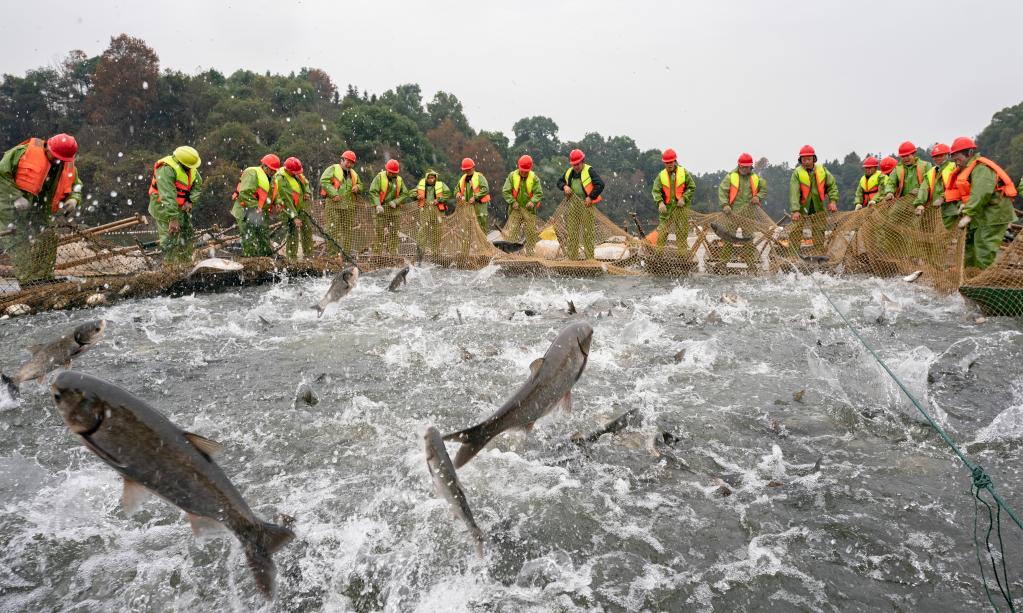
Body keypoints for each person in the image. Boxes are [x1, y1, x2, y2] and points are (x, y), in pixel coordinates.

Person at [0, 133, 81, 284]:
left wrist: (73, 200)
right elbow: (1, 175)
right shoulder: (21, 153)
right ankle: (28, 282)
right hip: (11, 210)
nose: (58, 161)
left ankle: (43, 278)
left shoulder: (66, 165)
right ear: (48, 147)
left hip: (40, 212)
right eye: (56, 157)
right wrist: (15, 196)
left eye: (62, 159)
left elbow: (76, 186)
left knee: (48, 237)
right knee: (19, 242)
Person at [949, 136, 1018, 269]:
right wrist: (965, 205)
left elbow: (981, 192)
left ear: (969, 153)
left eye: (958, 158)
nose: (956, 161)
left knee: (984, 247)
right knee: (971, 246)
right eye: (954, 158)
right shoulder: (969, 168)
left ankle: (982, 283)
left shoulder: (981, 168)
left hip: (995, 214)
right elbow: (972, 192)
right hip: (983, 214)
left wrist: (969, 213)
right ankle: (970, 277)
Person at [148, 145, 202, 265]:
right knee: (170, 236)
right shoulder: (166, 169)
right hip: (162, 206)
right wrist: (173, 218)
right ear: (181, 162)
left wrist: (189, 200)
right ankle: (169, 267)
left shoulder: (190, 167)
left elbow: (197, 186)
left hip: (180, 206)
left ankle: (185, 264)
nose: (191, 168)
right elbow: (167, 196)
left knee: (187, 233)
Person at [787, 145, 839, 254]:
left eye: (809, 159)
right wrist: (795, 210)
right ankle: (792, 256)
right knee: (795, 232)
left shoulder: (822, 170)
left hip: (818, 207)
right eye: (804, 159)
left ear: (814, 159)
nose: (806, 162)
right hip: (801, 208)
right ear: (800, 160)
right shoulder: (796, 173)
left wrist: (833, 201)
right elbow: (794, 193)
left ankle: (818, 255)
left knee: (819, 231)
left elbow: (832, 186)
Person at [716, 152, 766, 266]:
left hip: (749, 214)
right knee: (728, 238)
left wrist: (758, 197)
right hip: (731, 213)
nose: (744, 169)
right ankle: (723, 263)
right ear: (739, 165)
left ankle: (750, 263)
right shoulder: (730, 177)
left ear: (751, 166)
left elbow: (763, 189)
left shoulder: (756, 178)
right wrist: (725, 205)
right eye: (742, 167)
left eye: (747, 167)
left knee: (748, 239)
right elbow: (722, 191)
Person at [557, 148, 605, 260]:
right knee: (572, 233)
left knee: (588, 234)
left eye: (577, 164)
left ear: (582, 161)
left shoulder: (589, 171)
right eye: (573, 164)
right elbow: (559, 181)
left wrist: (591, 197)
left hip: (587, 205)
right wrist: (564, 186)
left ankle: (589, 259)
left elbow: (600, 184)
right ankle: (572, 258)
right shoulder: (569, 172)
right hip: (573, 206)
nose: (576, 166)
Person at [231, 153, 280, 257]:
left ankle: (265, 259)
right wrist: (255, 207)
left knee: (264, 236)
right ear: (265, 166)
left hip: (260, 212)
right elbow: (245, 193)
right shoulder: (252, 173)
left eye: (275, 171)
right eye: (271, 170)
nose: (273, 172)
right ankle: (251, 262)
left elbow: (274, 194)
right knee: (249, 236)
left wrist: (278, 202)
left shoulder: (272, 179)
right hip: (246, 210)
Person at [651, 148, 695, 256]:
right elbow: (655, 191)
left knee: (681, 235)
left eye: (671, 162)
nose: (669, 164)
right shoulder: (661, 176)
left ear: (675, 161)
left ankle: (682, 259)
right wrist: (660, 202)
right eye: (667, 162)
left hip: (681, 210)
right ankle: (658, 258)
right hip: (666, 211)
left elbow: (692, 187)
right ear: (664, 163)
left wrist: (684, 198)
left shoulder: (684, 173)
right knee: (661, 235)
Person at [319, 150, 361, 257]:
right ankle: (332, 256)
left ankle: (346, 256)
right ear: (342, 160)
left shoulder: (354, 174)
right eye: (347, 161)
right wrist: (333, 194)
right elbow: (324, 181)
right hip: (333, 205)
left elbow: (361, 184)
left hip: (349, 207)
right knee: (332, 230)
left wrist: (358, 187)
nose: (349, 164)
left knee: (347, 232)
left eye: (351, 162)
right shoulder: (332, 169)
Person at [502, 155, 544, 255]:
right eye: (522, 170)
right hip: (515, 211)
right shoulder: (512, 176)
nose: (524, 173)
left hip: (529, 212)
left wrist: (532, 201)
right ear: (518, 167)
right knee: (512, 233)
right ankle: (511, 255)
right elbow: (505, 191)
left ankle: (530, 255)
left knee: (530, 234)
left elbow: (539, 193)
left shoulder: (535, 178)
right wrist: (512, 202)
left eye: (526, 171)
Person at [274, 157, 314, 260]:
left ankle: (308, 256)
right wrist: (294, 217)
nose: (297, 173)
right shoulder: (281, 178)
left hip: (300, 208)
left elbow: (306, 183)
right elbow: (287, 201)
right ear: (288, 170)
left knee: (307, 230)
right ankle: (292, 259)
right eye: (294, 172)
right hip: (288, 211)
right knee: (293, 234)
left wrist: (307, 192)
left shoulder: (296, 174)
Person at [912, 143, 958, 229]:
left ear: (947, 155)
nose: (937, 158)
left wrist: (942, 198)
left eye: (940, 156)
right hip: (935, 212)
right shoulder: (931, 172)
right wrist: (919, 204)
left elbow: (957, 186)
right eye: (935, 156)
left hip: (952, 210)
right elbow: (924, 188)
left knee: (950, 237)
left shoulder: (954, 167)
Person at [369, 159, 410, 255]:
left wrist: (396, 201)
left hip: (394, 210)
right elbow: (373, 191)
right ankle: (376, 255)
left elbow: (405, 193)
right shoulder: (379, 177)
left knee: (394, 233)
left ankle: (393, 255)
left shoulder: (399, 180)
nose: (392, 174)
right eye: (390, 172)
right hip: (380, 210)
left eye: (394, 173)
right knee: (379, 232)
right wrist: (377, 204)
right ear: (386, 169)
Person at [416, 168, 451, 255]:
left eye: (433, 177)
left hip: (438, 212)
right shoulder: (421, 185)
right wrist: (417, 196)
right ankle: (420, 252)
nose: (431, 179)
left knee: (437, 232)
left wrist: (439, 200)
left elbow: (448, 193)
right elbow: (411, 193)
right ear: (426, 178)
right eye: (429, 178)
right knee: (423, 230)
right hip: (425, 211)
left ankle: (435, 252)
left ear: (435, 178)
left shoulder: (441, 184)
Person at [455, 157, 491, 231]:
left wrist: (475, 197)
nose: (467, 171)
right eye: (466, 170)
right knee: (468, 226)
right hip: (467, 206)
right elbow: (457, 189)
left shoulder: (480, 177)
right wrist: (457, 193)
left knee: (480, 226)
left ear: (473, 167)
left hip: (479, 206)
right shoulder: (462, 179)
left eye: (469, 169)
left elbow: (485, 189)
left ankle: (481, 242)